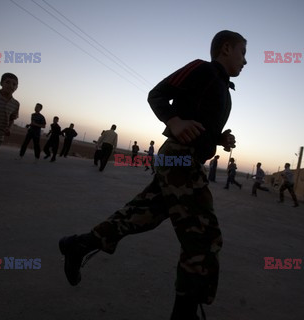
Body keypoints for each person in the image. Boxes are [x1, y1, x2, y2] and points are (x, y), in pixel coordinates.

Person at [59, 30, 246, 319]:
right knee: (203, 238)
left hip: (188, 158)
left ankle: (79, 245)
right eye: (242, 53)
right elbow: (157, 94)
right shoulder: (203, 69)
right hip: (180, 157)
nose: (245, 61)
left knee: (142, 215)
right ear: (225, 48)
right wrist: (174, 121)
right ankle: (183, 314)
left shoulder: (222, 87)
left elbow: (198, 122)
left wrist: (219, 138)